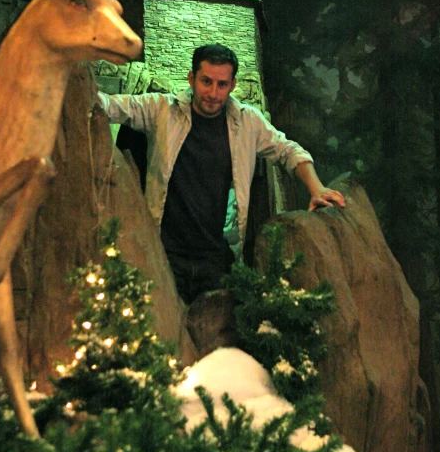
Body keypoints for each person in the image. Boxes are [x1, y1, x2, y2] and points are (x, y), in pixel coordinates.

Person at [97, 43, 345, 304]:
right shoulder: (162, 110)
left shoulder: (247, 121)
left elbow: (288, 150)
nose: (213, 93)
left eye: (222, 84)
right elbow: (112, 105)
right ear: (191, 78)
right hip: (164, 254)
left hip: (215, 258)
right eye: (206, 81)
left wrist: (316, 188)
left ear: (233, 84)